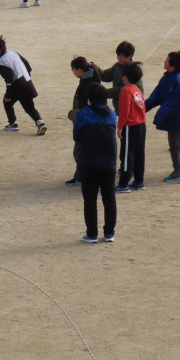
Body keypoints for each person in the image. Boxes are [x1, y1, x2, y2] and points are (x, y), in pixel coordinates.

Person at [144, 52, 180, 183]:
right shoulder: (166, 78)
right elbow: (156, 96)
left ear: (172, 65)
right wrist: (143, 107)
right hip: (171, 118)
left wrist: (160, 114)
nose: (164, 61)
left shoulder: (177, 81)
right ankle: (177, 170)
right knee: (172, 146)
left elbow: (174, 102)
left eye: (167, 60)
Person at [73, 83, 118, 243]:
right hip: (109, 161)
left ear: (90, 98)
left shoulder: (84, 114)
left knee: (90, 199)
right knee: (109, 198)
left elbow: (77, 135)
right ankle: (109, 233)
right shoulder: (112, 114)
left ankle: (92, 234)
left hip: (89, 161)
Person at [0, 36, 46, 135]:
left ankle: (12, 124)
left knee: (7, 102)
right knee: (29, 108)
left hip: (18, 86)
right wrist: (27, 76)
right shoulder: (13, 53)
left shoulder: (1, 63)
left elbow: (9, 81)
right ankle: (41, 123)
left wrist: (8, 95)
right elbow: (27, 65)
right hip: (27, 81)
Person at [65, 56, 101, 187]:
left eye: (73, 69)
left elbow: (85, 107)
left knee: (80, 152)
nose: (73, 72)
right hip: (91, 123)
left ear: (79, 70)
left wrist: (73, 115)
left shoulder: (87, 85)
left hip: (86, 124)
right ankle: (82, 176)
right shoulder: (91, 79)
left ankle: (83, 177)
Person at [115, 61, 147, 192]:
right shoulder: (137, 90)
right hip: (141, 125)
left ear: (125, 77)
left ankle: (124, 183)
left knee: (127, 154)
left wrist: (120, 127)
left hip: (131, 125)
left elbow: (124, 111)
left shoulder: (125, 90)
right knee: (139, 153)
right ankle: (139, 180)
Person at [99, 41, 144, 113]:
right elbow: (106, 76)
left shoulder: (134, 71)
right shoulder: (117, 66)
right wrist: (94, 67)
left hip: (131, 110)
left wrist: (102, 93)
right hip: (120, 107)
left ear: (130, 56)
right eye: (118, 55)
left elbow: (121, 90)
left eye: (122, 56)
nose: (119, 58)